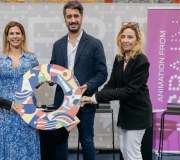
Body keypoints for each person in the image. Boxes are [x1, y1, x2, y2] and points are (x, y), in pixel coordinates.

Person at [43, 1, 108, 160]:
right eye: (69, 16)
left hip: (84, 102)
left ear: (82, 17)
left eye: (75, 16)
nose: (73, 20)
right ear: (64, 19)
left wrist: (87, 86)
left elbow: (102, 73)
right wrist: (50, 79)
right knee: (60, 141)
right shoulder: (57, 45)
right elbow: (53, 69)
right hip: (62, 102)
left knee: (86, 141)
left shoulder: (94, 44)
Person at [81, 22, 152, 160]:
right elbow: (112, 84)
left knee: (133, 154)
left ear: (137, 40)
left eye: (130, 37)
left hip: (138, 114)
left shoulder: (142, 61)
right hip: (125, 113)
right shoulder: (119, 58)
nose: (125, 40)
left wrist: (95, 97)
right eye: (123, 36)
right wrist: (92, 97)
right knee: (125, 153)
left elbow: (129, 91)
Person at [0, 21, 40, 160]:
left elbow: (36, 82)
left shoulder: (31, 59)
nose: (15, 36)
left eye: (18, 33)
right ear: (7, 37)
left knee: (27, 143)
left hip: (27, 108)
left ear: (23, 36)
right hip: (5, 110)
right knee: (5, 143)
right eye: (11, 33)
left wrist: (44, 80)